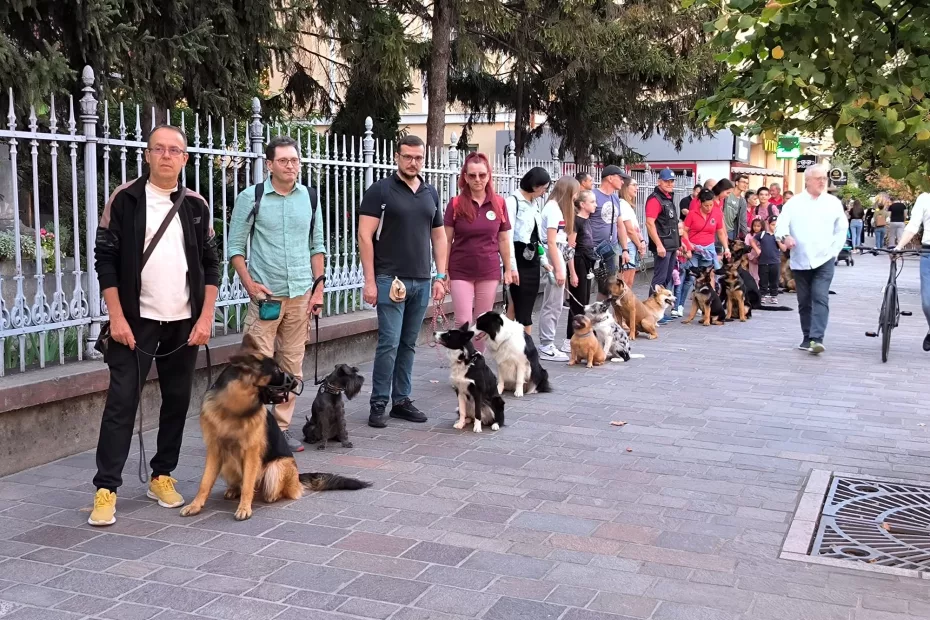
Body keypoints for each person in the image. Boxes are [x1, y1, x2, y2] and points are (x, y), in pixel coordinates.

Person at [89, 125, 219, 527]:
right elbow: (105, 260)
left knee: (177, 401)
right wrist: (116, 317)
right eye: (158, 149)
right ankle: (106, 488)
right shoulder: (126, 199)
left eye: (174, 150)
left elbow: (211, 264)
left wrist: (206, 316)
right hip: (135, 323)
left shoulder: (196, 205)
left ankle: (162, 475)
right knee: (121, 403)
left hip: (184, 323)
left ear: (184, 158)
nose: (166, 155)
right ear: (147, 155)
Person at [228, 136, 326, 452]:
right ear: (269, 165)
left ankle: (280, 429)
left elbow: (318, 245)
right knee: (256, 365)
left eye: (294, 160)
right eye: (283, 161)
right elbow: (235, 247)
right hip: (266, 298)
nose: (290, 166)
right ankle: (251, 429)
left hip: (300, 294)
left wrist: (318, 289)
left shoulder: (309, 198)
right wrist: (249, 284)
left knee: (292, 366)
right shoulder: (251, 197)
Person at [359, 135, 448, 428]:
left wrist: (440, 275)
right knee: (389, 343)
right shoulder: (380, 191)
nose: (413, 162)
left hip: (422, 279)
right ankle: (378, 403)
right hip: (389, 278)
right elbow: (365, 236)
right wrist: (369, 281)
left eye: (418, 158)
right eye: (407, 157)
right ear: (397, 157)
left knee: (409, 343)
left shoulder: (430, 193)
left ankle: (401, 400)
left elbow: (438, 236)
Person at [775, 164, 847, 355]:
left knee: (820, 296)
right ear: (807, 180)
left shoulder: (833, 203)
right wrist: (785, 237)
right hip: (800, 260)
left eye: (824, 178)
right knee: (804, 301)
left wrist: (834, 251)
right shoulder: (794, 203)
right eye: (818, 178)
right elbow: (780, 225)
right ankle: (807, 337)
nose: (822, 182)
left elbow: (841, 229)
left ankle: (817, 338)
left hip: (825, 259)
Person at [443, 152, 512, 350]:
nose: (477, 180)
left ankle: (477, 364)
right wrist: (444, 271)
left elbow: (503, 238)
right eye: (472, 175)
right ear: (465, 176)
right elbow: (446, 240)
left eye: (482, 175)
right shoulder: (456, 204)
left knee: (482, 323)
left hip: (488, 270)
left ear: (489, 175)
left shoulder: (499, 203)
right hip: (460, 270)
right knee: (463, 321)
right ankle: (461, 366)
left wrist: (508, 268)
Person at [506, 167, 552, 333]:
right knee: (518, 304)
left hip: (532, 258)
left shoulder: (535, 203)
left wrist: (544, 261)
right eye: (544, 188)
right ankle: (522, 345)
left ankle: (520, 345)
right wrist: (511, 266)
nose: (544, 192)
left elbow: (536, 236)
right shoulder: (513, 202)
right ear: (535, 186)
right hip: (518, 258)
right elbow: (507, 237)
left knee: (525, 304)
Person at [538, 175, 578, 361]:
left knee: (555, 302)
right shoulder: (553, 209)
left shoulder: (555, 207)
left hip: (557, 254)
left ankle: (548, 342)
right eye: (575, 193)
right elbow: (552, 242)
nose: (576, 198)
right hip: (554, 255)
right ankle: (546, 344)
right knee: (553, 303)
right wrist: (560, 269)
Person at [676, 188, 732, 319]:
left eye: (711, 205)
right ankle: (679, 305)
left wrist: (726, 248)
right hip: (694, 248)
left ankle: (707, 304)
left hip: (708, 249)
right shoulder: (693, 213)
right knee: (690, 276)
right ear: (700, 203)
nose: (709, 208)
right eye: (706, 205)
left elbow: (720, 232)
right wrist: (689, 246)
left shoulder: (716, 213)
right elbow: (685, 231)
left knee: (708, 276)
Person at [892, 192, 930, 351]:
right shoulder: (925, 198)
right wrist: (899, 247)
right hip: (928, 253)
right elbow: (913, 225)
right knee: (927, 303)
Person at [589, 165, 631, 295]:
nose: (623, 182)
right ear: (610, 178)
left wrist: (624, 249)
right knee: (589, 286)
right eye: (620, 178)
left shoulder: (615, 198)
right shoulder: (592, 195)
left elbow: (620, 225)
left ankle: (602, 313)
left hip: (611, 249)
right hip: (593, 249)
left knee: (610, 287)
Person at [566, 190, 599, 343]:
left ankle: (582, 334)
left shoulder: (587, 220)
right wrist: (572, 272)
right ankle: (570, 337)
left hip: (587, 262)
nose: (595, 205)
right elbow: (570, 248)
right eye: (592, 202)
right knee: (577, 302)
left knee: (584, 301)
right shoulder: (576, 221)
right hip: (578, 262)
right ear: (582, 204)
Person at [645, 168, 680, 299]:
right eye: (666, 181)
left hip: (671, 245)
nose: (670, 184)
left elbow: (671, 223)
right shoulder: (655, 199)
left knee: (665, 279)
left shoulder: (668, 198)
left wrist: (678, 243)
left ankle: (658, 310)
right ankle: (650, 310)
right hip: (663, 245)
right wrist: (659, 245)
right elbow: (649, 223)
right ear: (659, 181)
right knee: (659, 280)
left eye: (672, 181)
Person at [618, 175, 647, 288]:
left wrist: (642, 241)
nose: (637, 188)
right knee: (625, 283)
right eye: (634, 185)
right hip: (628, 244)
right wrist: (639, 245)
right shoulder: (622, 204)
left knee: (629, 282)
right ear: (625, 187)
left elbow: (636, 228)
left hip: (633, 244)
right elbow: (629, 230)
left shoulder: (628, 206)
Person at [756, 216, 786, 305]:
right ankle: (763, 295)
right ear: (768, 225)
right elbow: (752, 241)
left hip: (775, 262)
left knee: (774, 279)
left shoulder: (780, 236)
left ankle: (774, 296)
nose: (774, 227)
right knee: (763, 279)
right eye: (773, 225)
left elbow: (784, 249)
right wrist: (757, 249)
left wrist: (778, 241)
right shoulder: (762, 234)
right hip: (763, 261)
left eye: (776, 225)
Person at [671, 221, 695, 317]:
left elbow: (689, 254)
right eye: (678, 228)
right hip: (675, 266)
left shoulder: (685, 241)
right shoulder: (673, 240)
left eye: (681, 228)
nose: (679, 230)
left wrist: (683, 253)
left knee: (686, 283)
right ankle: (675, 307)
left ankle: (680, 305)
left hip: (684, 265)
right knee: (677, 286)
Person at [724, 174, 750, 241]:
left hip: (731, 231)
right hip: (719, 228)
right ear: (737, 182)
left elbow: (743, 220)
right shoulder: (727, 194)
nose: (745, 185)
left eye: (747, 183)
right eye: (743, 182)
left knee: (728, 250)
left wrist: (746, 237)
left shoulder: (742, 201)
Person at [745, 218, 764, 284]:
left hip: (762, 257)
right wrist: (752, 257)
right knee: (753, 273)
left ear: (762, 227)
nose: (756, 228)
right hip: (752, 257)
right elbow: (746, 247)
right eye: (754, 226)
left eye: (758, 226)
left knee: (762, 273)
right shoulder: (749, 236)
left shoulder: (763, 235)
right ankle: (755, 287)